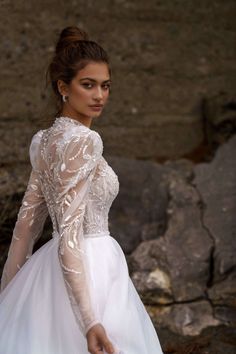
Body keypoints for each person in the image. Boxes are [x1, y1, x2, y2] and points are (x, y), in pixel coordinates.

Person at [0, 26, 164, 354]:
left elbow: (25, 230)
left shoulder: (42, 142)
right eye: (87, 85)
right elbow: (69, 234)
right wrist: (89, 322)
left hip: (49, 272)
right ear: (64, 87)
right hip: (92, 268)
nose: (99, 95)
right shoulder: (86, 141)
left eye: (105, 86)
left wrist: (8, 297)